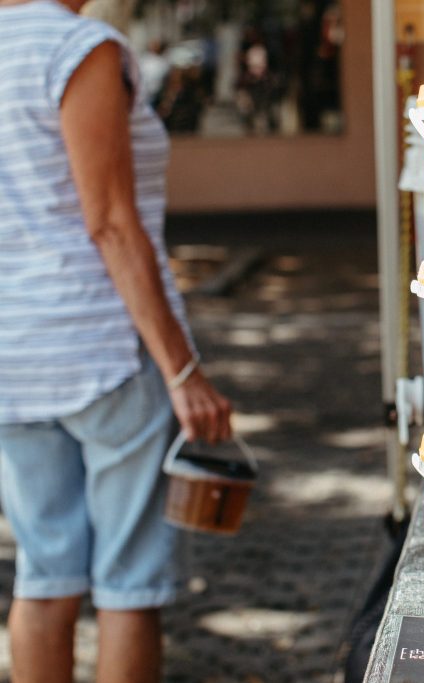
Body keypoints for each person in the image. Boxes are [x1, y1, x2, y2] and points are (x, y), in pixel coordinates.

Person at [0, 1, 233, 681]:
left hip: (14, 359)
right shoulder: (79, 48)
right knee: (130, 584)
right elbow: (110, 223)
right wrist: (182, 367)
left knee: (44, 576)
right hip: (102, 347)